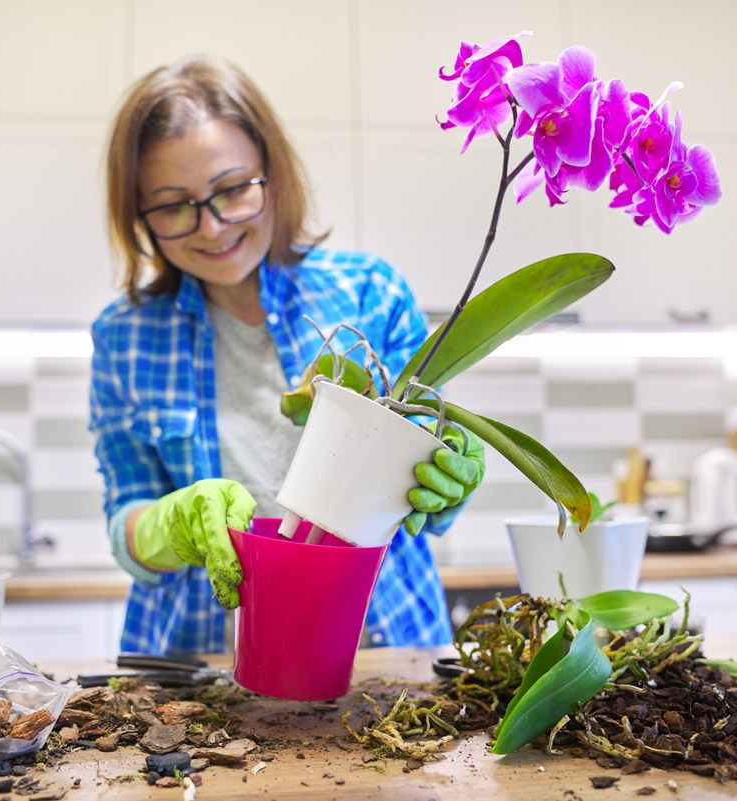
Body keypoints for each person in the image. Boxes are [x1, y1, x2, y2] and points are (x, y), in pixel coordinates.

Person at [89, 54, 486, 655]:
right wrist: (173, 523)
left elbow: (425, 504)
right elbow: (128, 520)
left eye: (231, 189)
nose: (212, 226)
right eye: (174, 205)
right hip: (199, 666)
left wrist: (443, 484)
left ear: (273, 175)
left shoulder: (369, 296)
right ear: (139, 215)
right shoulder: (126, 335)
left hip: (382, 652)